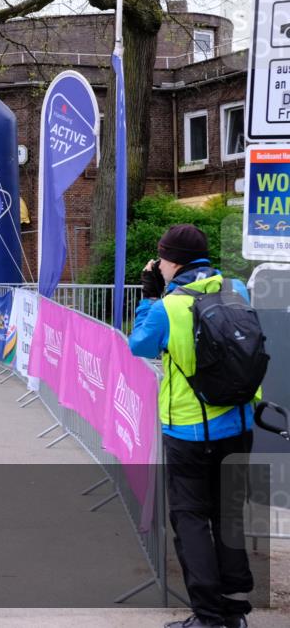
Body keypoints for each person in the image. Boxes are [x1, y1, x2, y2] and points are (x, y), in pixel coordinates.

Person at [128, 225, 256, 628]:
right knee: (228, 515)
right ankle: (234, 610)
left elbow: (139, 345)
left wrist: (150, 296)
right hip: (239, 423)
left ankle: (208, 616)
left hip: (189, 431)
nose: (159, 265)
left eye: (162, 259)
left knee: (191, 519)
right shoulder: (237, 288)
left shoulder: (168, 306)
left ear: (172, 261)